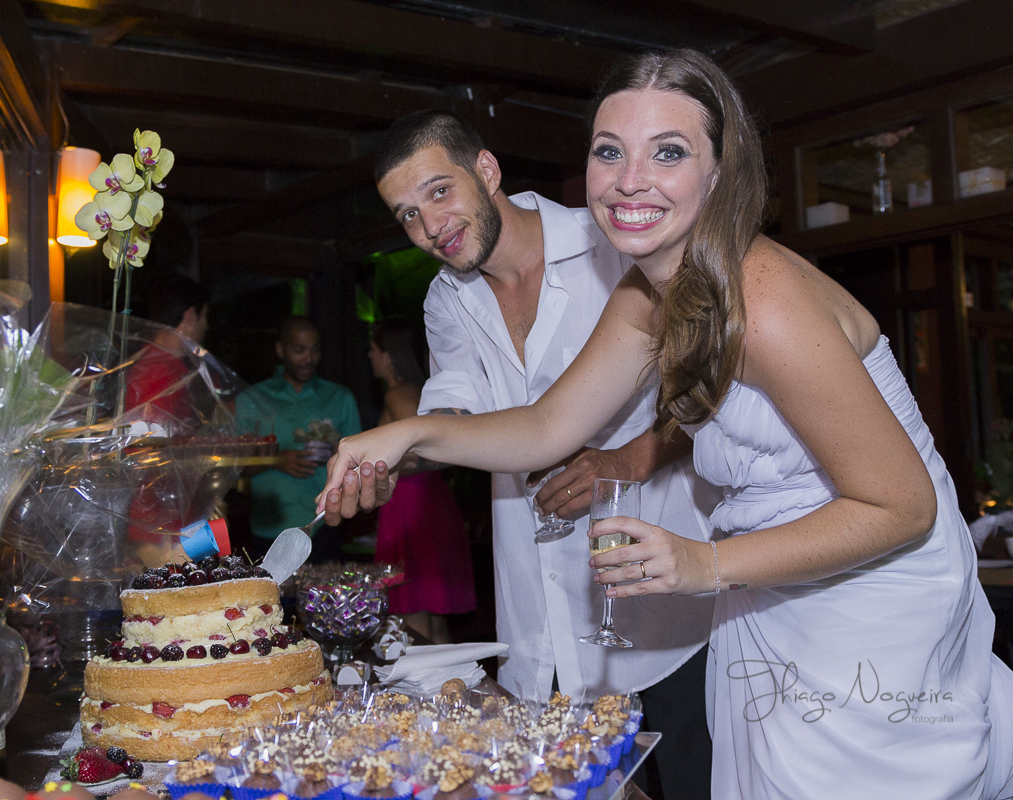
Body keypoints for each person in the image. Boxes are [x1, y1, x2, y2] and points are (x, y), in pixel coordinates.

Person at [322, 50, 1013, 799]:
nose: (629, 179)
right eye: (609, 151)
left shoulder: (763, 303)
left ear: (719, 174)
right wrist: (406, 435)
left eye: (670, 152)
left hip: (869, 606)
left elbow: (902, 507)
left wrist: (704, 565)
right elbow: (550, 427)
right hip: (768, 593)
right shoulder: (647, 293)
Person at [346, 110, 717, 799]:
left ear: (486, 171)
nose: (429, 228)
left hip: (663, 621)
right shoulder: (445, 301)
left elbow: (711, 391)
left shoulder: (613, 243)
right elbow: (450, 415)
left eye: (438, 193)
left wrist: (630, 458)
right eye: (406, 216)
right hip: (540, 633)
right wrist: (393, 458)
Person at [368, 317, 476, 644]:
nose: (369, 357)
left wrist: (377, 465)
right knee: (432, 616)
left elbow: (431, 454)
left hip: (409, 505)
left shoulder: (398, 394)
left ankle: (425, 693)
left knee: (411, 618)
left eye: (372, 351)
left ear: (388, 356)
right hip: (428, 502)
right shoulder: (414, 389)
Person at [236, 315, 361, 563]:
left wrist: (340, 453)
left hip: (324, 526)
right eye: (299, 350)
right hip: (269, 528)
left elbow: (359, 464)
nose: (308, 359)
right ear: (280, 350)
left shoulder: (339, 398)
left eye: (315, 350)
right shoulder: (252, 398)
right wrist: (277, 459)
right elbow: (235, 466)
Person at [125, 271, 210, 430]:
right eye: (204, 316)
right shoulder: (159, 372)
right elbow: (153, 444)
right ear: (190, 316)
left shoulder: (157, 364)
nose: (206, 325)